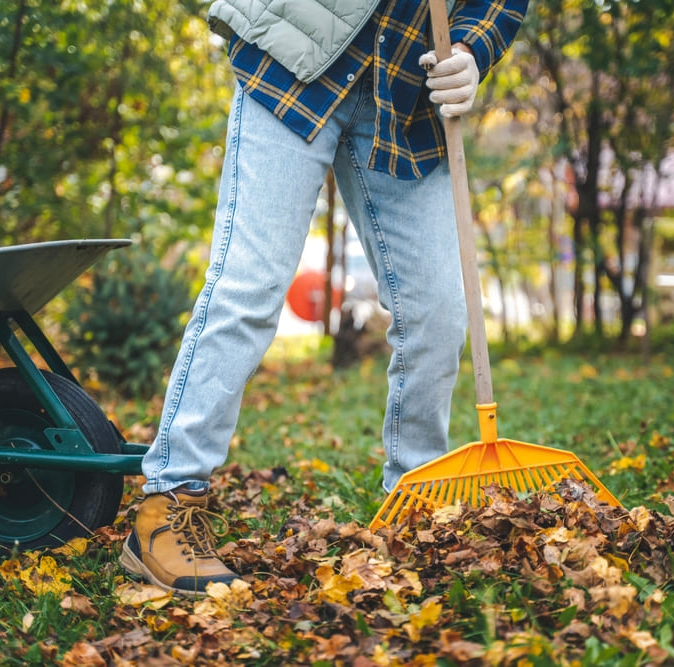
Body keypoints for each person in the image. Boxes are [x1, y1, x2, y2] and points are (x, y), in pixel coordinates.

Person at [120, 0, 528, 596]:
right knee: (250, 288)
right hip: (295, 61)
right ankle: (169, 501)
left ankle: (413, 499)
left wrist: (471, 48)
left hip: (406, 91)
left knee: (440, 309)